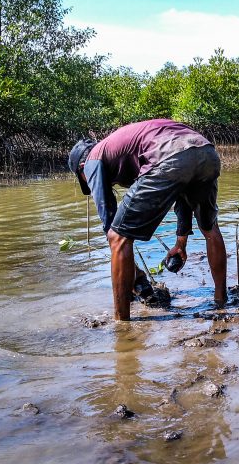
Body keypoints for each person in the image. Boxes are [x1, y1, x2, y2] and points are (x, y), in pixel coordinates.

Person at [68, 119, 228, 320]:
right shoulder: (119, 147)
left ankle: (121, 321)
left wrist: (134, 275)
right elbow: (182, 192)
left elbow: (109, 223)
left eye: (85, 180)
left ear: (81, 168)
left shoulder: (92, 159)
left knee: (117, 237)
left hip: (168, 155)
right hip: (205, 151)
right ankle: (221, 300)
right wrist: (181, 243)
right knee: (210, 228)